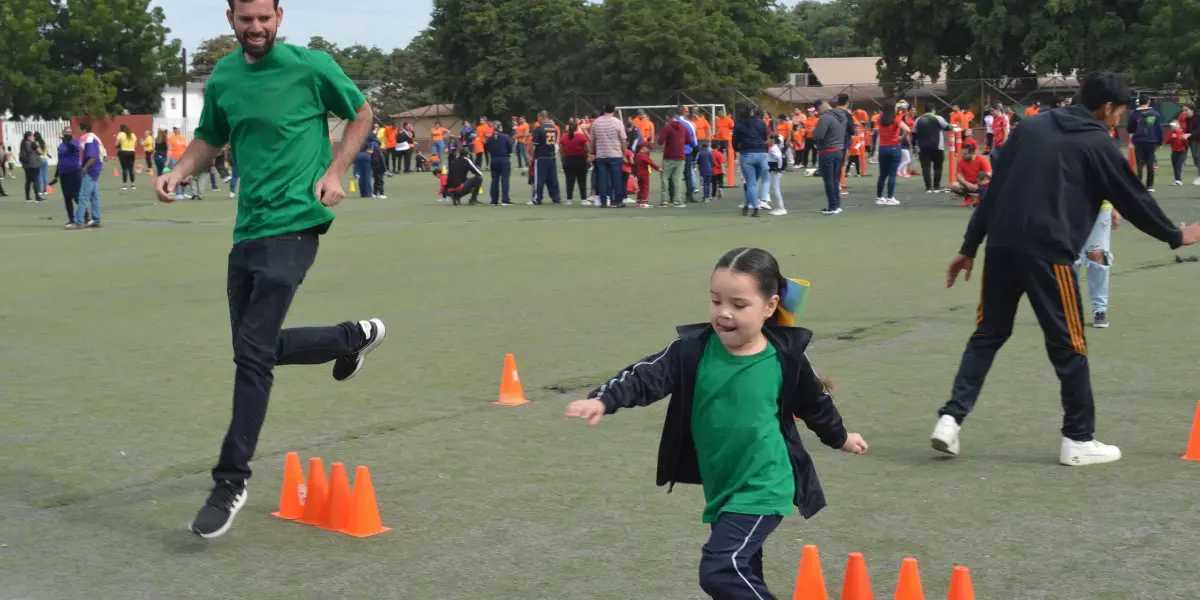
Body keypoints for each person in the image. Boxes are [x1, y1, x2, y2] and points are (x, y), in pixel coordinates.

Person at [154, 0, 385, 539]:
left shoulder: (312, 66)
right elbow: (211, 138)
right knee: (253, 348)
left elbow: (362, 112)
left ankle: (230, 481)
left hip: (299, 221)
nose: (255, 28)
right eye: (245, 19)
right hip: (248, 230)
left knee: (252, 357)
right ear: (229, 20)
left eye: (264, 18)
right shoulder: (226, 76)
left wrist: (336, 171)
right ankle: (351, 337)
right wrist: (179, 170)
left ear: (279, 16)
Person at [564, 247, 868, 600]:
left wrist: (841, 438)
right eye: (715, 301)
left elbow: (817, 405)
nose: (724, 313)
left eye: (738, 305)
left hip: (765, 484)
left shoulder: (786, 357)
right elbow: (645, 376)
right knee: (744, 573)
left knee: (720, 568)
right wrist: (604, 398)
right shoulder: (692, 351)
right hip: (723, 486)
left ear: (769, 307)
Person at [933, 71, 1200, 466]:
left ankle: (949, 420)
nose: (1119, 120)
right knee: (1070, 345)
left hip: (1002, 247)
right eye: (1120, 112)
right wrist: (1176, 236)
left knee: (987, 335)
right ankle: (1078, 439)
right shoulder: (1098, 143)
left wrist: (969, 246)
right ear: (1107, 108)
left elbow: (996, 188)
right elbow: (1132, 196)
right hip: (1049, 253)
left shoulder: (1031, 127)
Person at [811, 100, 850, 214]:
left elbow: (818, 135)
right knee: (836, 180)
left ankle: (832, 206)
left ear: (820, 107)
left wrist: (814, 132)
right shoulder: (842, 116)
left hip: (827, 151)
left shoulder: (825, 118)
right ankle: (837, 205)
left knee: (829, 180)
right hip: (838, 150)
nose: (818, 113)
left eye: (817, 110)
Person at [589, 102, 628, 208]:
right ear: (614, 110)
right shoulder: (617, 122)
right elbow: (623, 140)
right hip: (615, 154)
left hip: (601, 154)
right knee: (617, 178)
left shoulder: (596, 122)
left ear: (604, 109)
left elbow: (593, 140)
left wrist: (592, 153)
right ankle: (617, 200)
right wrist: (624, 154)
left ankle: (603, 201)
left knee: (602, 179)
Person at [732, 104, 768, 217]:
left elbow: (734, 142)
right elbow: (765, 136)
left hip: (747, 153)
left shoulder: (739, 124)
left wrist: (738, 149)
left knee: (751, 183)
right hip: (761, 153)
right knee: (754, 183)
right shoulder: (761, 122)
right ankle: (747, 206)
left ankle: (755, 208)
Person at [1127, 96, 1164, 192]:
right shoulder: (1155, 113)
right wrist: (1160, 141)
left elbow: (1129, 129)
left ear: (1139, 103)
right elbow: (1159, 129)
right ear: (1148, 102)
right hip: (1152, 141)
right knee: (1150, 163)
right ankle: (1149, 186)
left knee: (1138, 164)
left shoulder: (1134, 114)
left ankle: (1138, 185)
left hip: (1139, 141)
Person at [70, 122, 103, 229]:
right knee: (94, 197)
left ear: (83, 129)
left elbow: (92, 156)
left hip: (90, 170)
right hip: (95, 170)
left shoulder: (89, 140)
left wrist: (85, 168)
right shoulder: (93, 138)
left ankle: (78, 221)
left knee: (83, 196)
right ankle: (96, 219)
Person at [874, 104, 908, 206]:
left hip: (883, 148)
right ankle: (890, 198)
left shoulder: (880, 119)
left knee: (882, 175)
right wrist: (901, 137)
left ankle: (879, 197)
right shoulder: (896, 119)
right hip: (894, 147)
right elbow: (907, 129)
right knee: (892, 174)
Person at [657, 106, 690, 208]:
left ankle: (664, 200)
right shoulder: (684, 127)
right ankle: (677, 200)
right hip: (681, 156)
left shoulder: (667, 127)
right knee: (677, 179)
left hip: (669, 156)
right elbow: (689, 141)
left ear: (667, 117)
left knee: (665, 178)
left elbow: (660, 141)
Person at [49, 128, 82, 226]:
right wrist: (56, 175)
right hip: (64, 174)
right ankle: (71, 218)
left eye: (69, 133)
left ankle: (85, 216)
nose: (67, 134)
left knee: (76, 196)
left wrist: (66, 139)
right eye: (65, 133)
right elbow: (60, 161)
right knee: (67, 197)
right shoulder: (61, 146)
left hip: (74, 172)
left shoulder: (75, 143)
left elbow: (71, 148)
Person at [914, 104, 949, 192]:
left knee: (926, 167)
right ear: (933, 110)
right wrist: (954, 126)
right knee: (938, 167)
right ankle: (936, 186)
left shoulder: (918, 120)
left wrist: (913, 145)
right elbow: (947, 127)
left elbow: (914, 133)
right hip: (938, 146)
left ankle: (928, 187)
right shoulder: (938, 118)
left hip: (923, 147)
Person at [529, 111, 561, 205]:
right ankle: (556, 198)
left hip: (541, 157)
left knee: (539, 179)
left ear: (542, 117)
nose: (537, 120)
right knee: (553, 179)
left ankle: (537, 198)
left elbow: (534, 145)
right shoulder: (554, 128)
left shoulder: (539, 129)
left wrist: (531, 156)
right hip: (551, 156)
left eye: (538, 118)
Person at [948, 143, 991, 207]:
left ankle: (980, 198)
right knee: (954, 186)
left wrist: (978, 184)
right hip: (968, 185)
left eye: (965, 154)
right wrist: (967, 184)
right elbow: (958, 175)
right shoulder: (961, 161)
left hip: (980, 184)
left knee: (987, 182)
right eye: (962, 153)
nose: (962, 155)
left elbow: (989, 174)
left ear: (972, 153)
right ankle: (969, 197)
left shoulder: (982, 159)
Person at [485, 120, 514, 205]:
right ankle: (505, 199)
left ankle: (494, 200)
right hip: (504, 159)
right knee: (505, 179)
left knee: (494, 180)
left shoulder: (490, 138)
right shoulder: (506, 137)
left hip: (494, 159)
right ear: (500, 127)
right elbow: (510, 148)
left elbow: (487, 149)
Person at [632, 144, 661, 208]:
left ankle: (639, 201)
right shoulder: (644, 155)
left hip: (638, 173)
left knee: (640, 188)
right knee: (645, 187)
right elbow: (651, 162)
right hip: (644, 173)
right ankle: (644, 202)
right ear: (644, 147)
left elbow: (634, 165)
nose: (649, 150)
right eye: (648, 148)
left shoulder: (637, 155)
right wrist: (658, 168)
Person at [19, 132, 44, 203]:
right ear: (29, 137)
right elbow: (41, 152)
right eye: (32, 136)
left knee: (28, 180)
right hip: (34, 163)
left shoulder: (23, 143)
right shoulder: (32, 143)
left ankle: (27, 197)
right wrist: (37, 145)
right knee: (35, 180)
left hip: (26, 164)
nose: (33, 137)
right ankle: (37, 197)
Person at [766, 135, 787, 216]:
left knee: (776, 189)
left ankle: (782, 208)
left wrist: (778, 168)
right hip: (774, 170)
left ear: (773, 140)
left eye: (769, 139)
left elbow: (779, 158)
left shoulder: (773, 148)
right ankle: (779, 207)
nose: (767, 140)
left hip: (775, 171)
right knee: (774, 188)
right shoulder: (774, 147)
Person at [116, 124, 138, 190]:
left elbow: (116, 144)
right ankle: (133, 185)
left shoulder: (120, 134)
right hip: (132, 152)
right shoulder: (133, 135)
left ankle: (125, 185)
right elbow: (136, 145)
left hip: (123, 152)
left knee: (124, 169)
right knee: (131, 169)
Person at [1166, 121, 1188, 186]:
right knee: (1175, 166)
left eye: (1175, 126)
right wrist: (1172, 138)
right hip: (1174, 152)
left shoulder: (1182, 133)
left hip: (1182, 152)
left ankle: (1179, 180)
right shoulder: (1170, 133)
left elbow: (1186, 144)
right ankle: (1177, 180)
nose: (1173, 127)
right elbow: (1167, 141)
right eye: (1172, 126)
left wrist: (1185, 139)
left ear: (1178, 126)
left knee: (1179, 165)